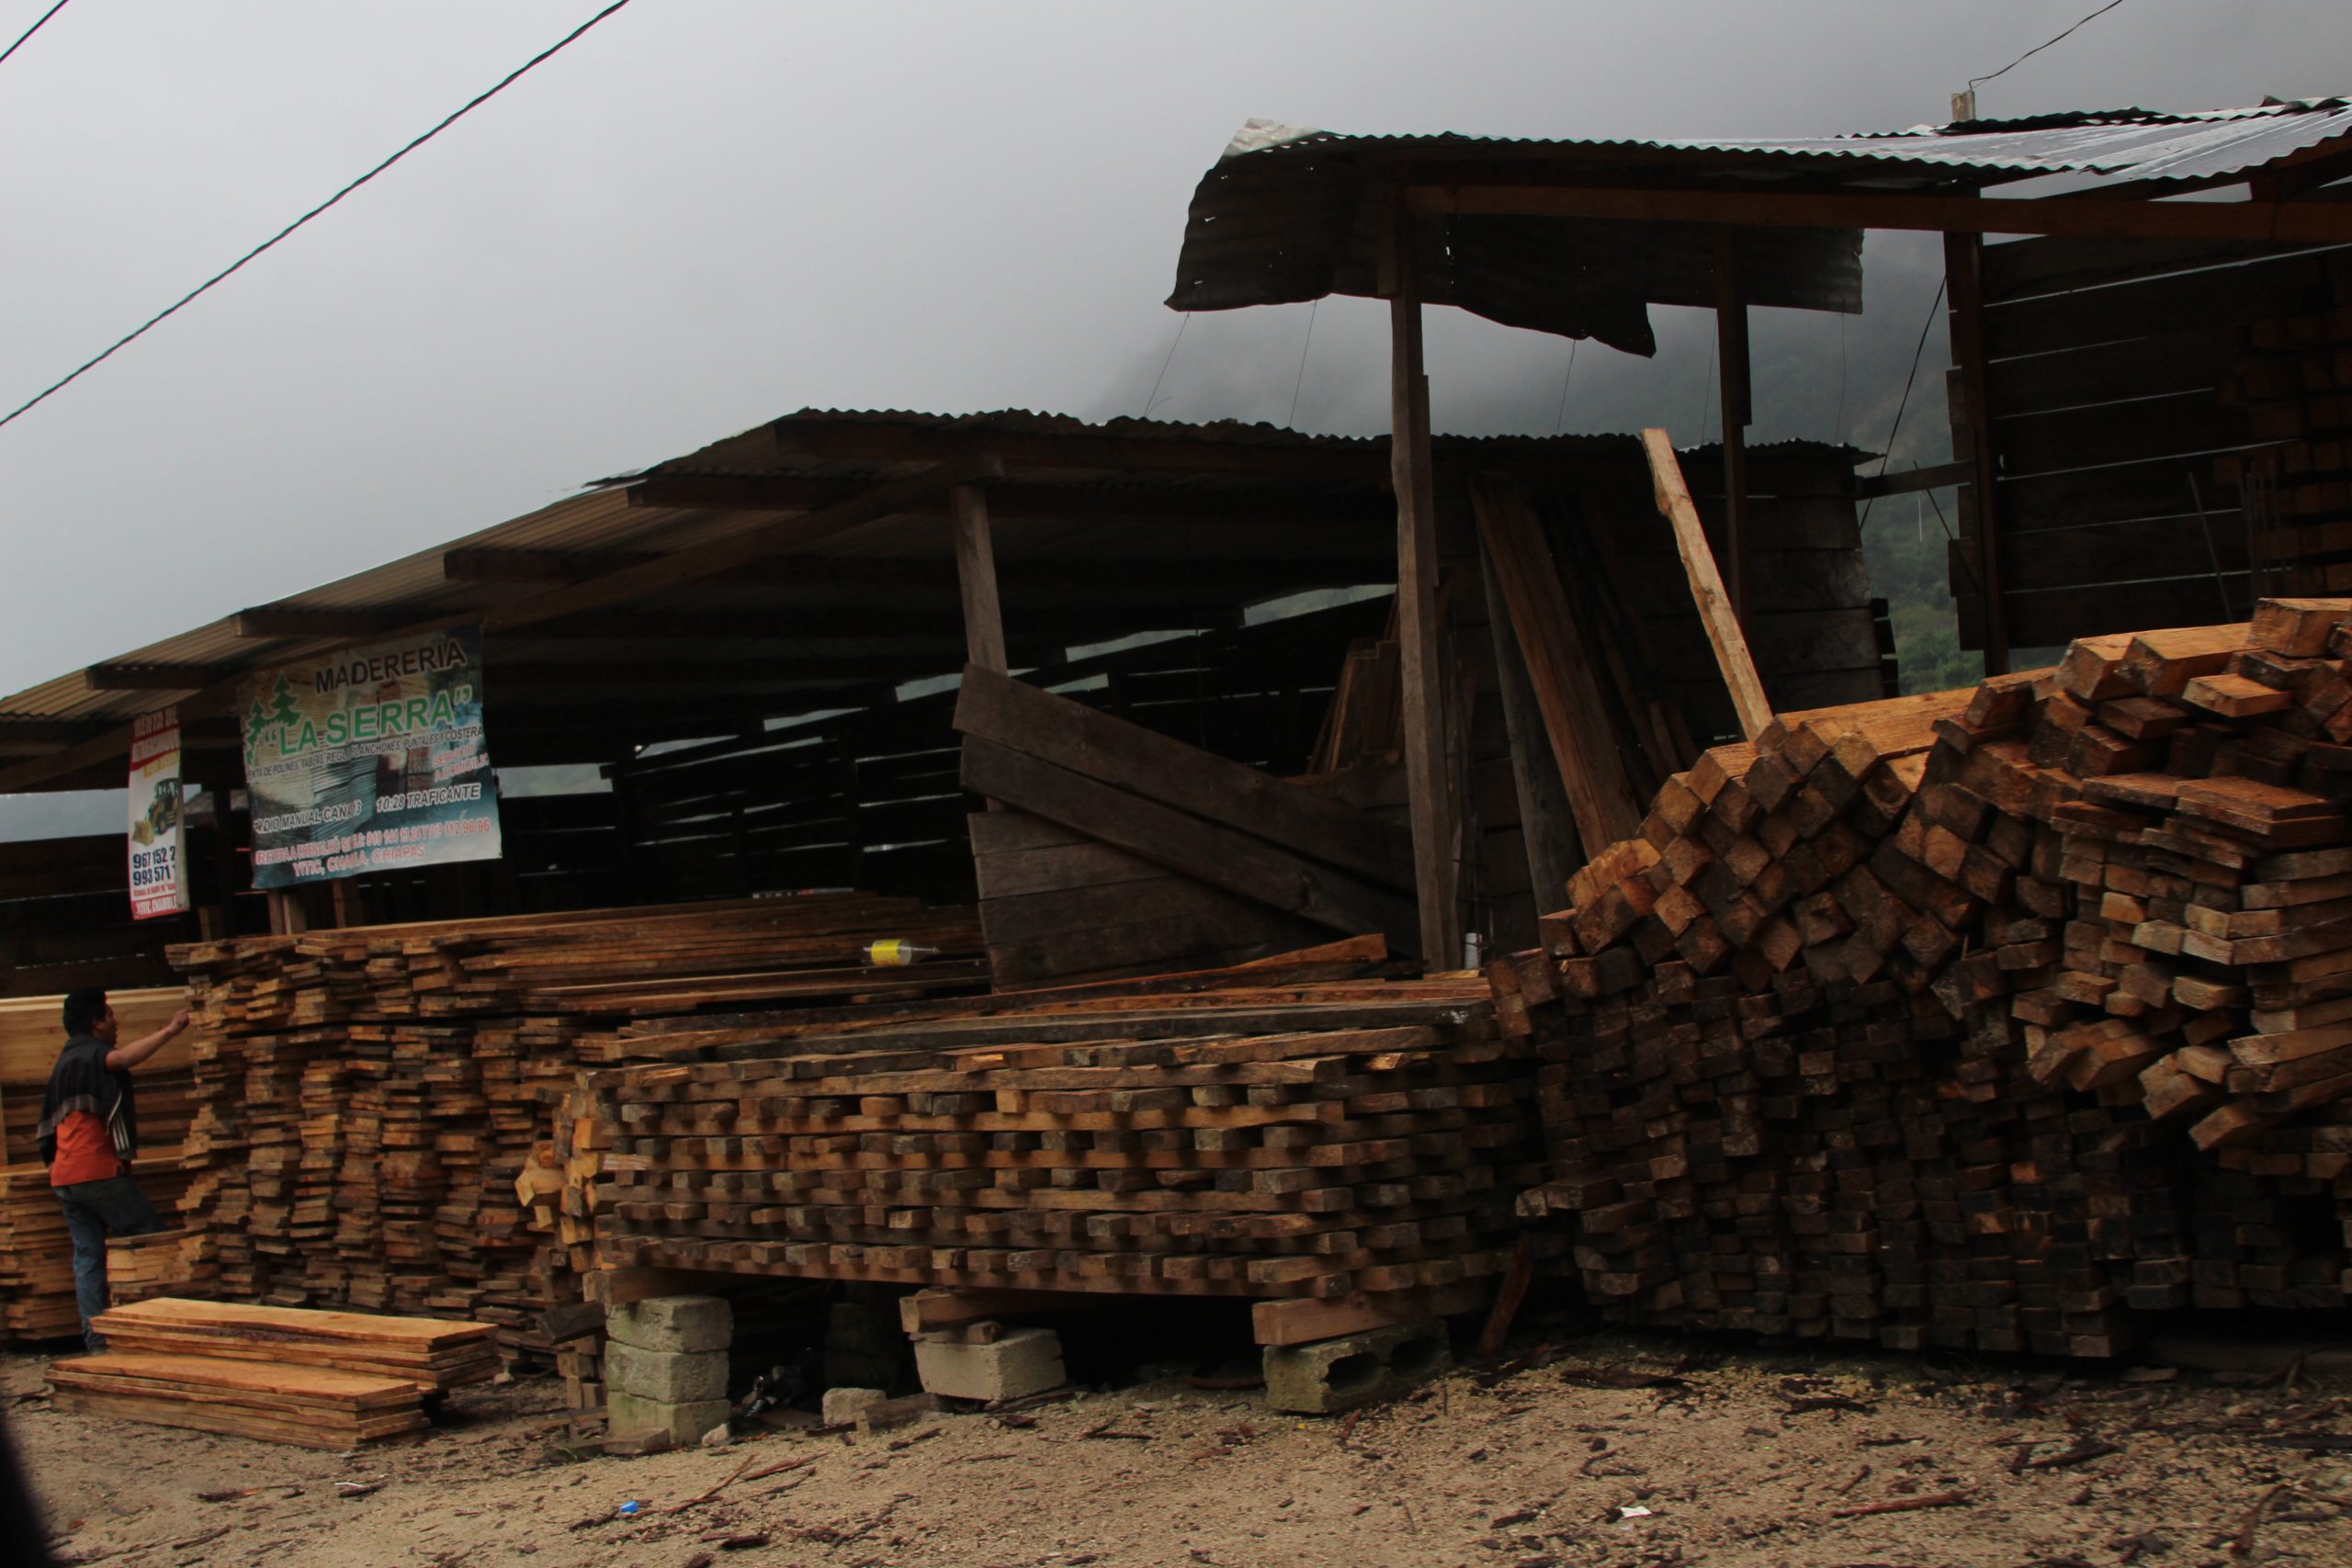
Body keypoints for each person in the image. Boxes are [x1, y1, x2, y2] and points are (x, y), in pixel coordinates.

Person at [35, 989, 190, 1350]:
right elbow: (122, 1059)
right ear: (96, 1023)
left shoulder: (65, 1059)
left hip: (65, 1177)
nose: (115, 1022)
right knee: (150, 1240)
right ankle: (154, 1333)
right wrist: (171, 1030)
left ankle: (98, 1343)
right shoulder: (90, 1053)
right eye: (110, 1015)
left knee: (88, 1257)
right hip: (97, 1173)